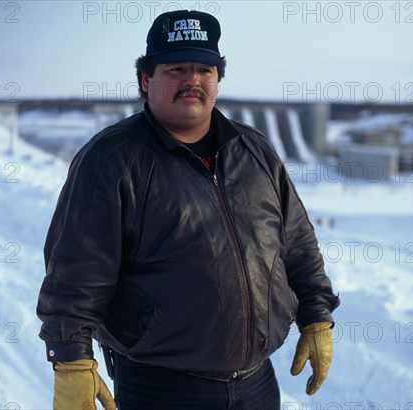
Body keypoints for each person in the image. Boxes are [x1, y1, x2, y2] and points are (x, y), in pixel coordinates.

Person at [37, 9, 340, 410]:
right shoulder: (111, 160)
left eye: (204, 68)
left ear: (218, 79)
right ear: (146, 79)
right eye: (176, 68)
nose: (192, 80)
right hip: (163, 388)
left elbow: (296, 241)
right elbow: (75, 273)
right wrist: (72, 359)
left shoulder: (253, 150)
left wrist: (316, 315)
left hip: (257, 383)